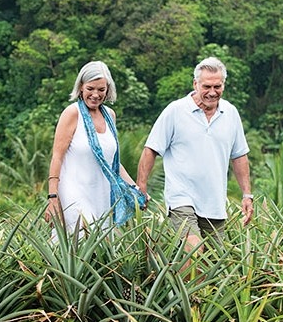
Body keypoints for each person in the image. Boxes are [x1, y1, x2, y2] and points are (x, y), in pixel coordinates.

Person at [136, 56, 253, 252]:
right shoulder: (175, 111)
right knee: (193, 248)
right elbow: (151, 149)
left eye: (218, 87)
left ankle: (175, 282)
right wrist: (142, 185)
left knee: (215, 264)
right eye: (207, 86)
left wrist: (247, 194)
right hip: (181, 198)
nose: (212, 92)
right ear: (195, 84)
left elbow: (239, 156)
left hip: (214, 202)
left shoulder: (231, 113)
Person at [45, 61, 138, 233]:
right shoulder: (72, 113)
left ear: (108, 90)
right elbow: (57, 157)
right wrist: (52, 197)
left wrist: (135, 189)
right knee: (79, 246)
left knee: (101, 252)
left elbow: (113, 163)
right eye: (90, 88)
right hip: (74, 196)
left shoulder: (110, 116)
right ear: (81, 87)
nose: (95, 94)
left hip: (102, 196)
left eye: (101, 90)